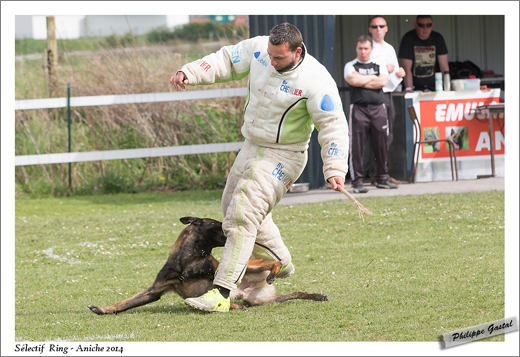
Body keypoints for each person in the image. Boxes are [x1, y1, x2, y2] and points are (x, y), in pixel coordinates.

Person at [170, 23, 349, 312]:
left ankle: (222, 293)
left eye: (279, 58)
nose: (271, 61)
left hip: (286, 154)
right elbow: (227, 59)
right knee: (231, 206)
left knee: (243, 213)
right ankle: (280, 259)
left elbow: (333, 125)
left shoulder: (316, 80)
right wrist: (189, 72)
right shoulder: (260, 50)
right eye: (270, 54)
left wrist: (335, 167)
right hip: (252, 145)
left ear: (297, 52)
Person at [344, 35, 397, 193]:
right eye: (360, 48)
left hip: (378, 109)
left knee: (381, 144)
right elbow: (352, 81)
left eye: (366, 48)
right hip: (358, 109)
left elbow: (383, 82)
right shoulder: (350, 65)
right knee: (357, 147)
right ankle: (357, 182)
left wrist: (362, 79)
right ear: (356, 49)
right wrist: (373, 78)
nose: (363, 51)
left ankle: (381, 178)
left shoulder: (378, 64)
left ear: (371, 49)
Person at [366, 15, 406, 185]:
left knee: (387, 136)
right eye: (375, 26)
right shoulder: (367, 48)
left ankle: (380, 173)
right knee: (377, 136)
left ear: (386, 28)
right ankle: (377, 174)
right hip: (374, 95)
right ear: (370, 29)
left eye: (381, 26)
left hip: (388, 93)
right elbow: (363, 70)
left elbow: (394, 73)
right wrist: (383, 68)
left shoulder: (389, 48)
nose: (378, 29)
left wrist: (400, 73)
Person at [398, 15, 449, 92]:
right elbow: (406, 69)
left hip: (435, 87)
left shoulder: (438, 38)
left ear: (432, 25)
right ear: (415, 25)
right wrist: (410, 90)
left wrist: (446, 89)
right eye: (421, 25)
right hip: (415, 88)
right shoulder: (408, 39)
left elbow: (444, 67)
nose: (425, 29)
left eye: (428, 25)